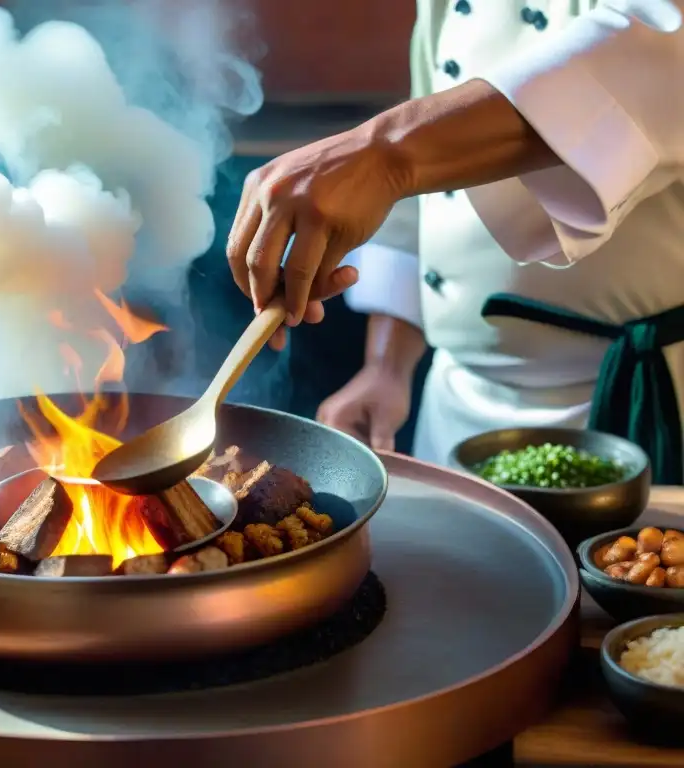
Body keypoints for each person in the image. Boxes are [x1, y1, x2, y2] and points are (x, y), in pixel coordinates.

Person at [226, 0, 684, 483]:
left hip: (635, 399)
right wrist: (387, 367)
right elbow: (425, 183)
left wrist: (382, 152)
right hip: (454, 407)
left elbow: (658, 52)